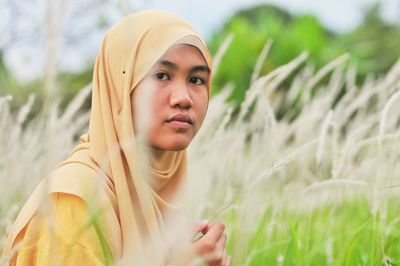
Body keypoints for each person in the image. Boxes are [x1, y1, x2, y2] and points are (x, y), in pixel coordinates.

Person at [1, 10, 231, 266]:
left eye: (196, 80)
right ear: (119, 87)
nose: (183, 98)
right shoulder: (74, 204)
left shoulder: (152, 195)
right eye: (161, 75)